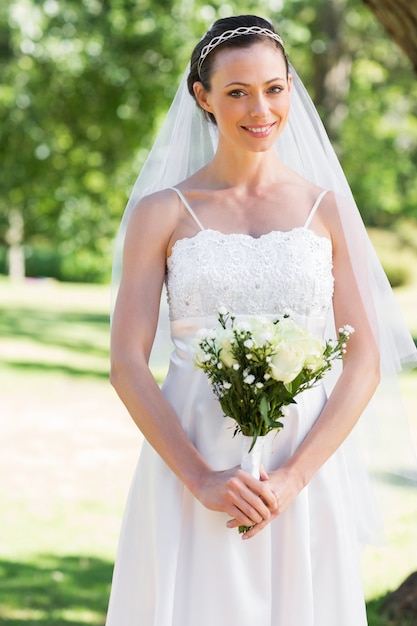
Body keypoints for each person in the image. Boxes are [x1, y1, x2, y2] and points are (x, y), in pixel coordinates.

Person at [106, 15, 417, 626]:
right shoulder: (161, 213)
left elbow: (365, 358)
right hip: (189, 456)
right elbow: (126, 363)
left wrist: (295, 479)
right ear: (203, 97)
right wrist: (200, 478)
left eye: (275, 88)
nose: (261, 108)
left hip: (298, 463)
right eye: (238, 92)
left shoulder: (325, 209)